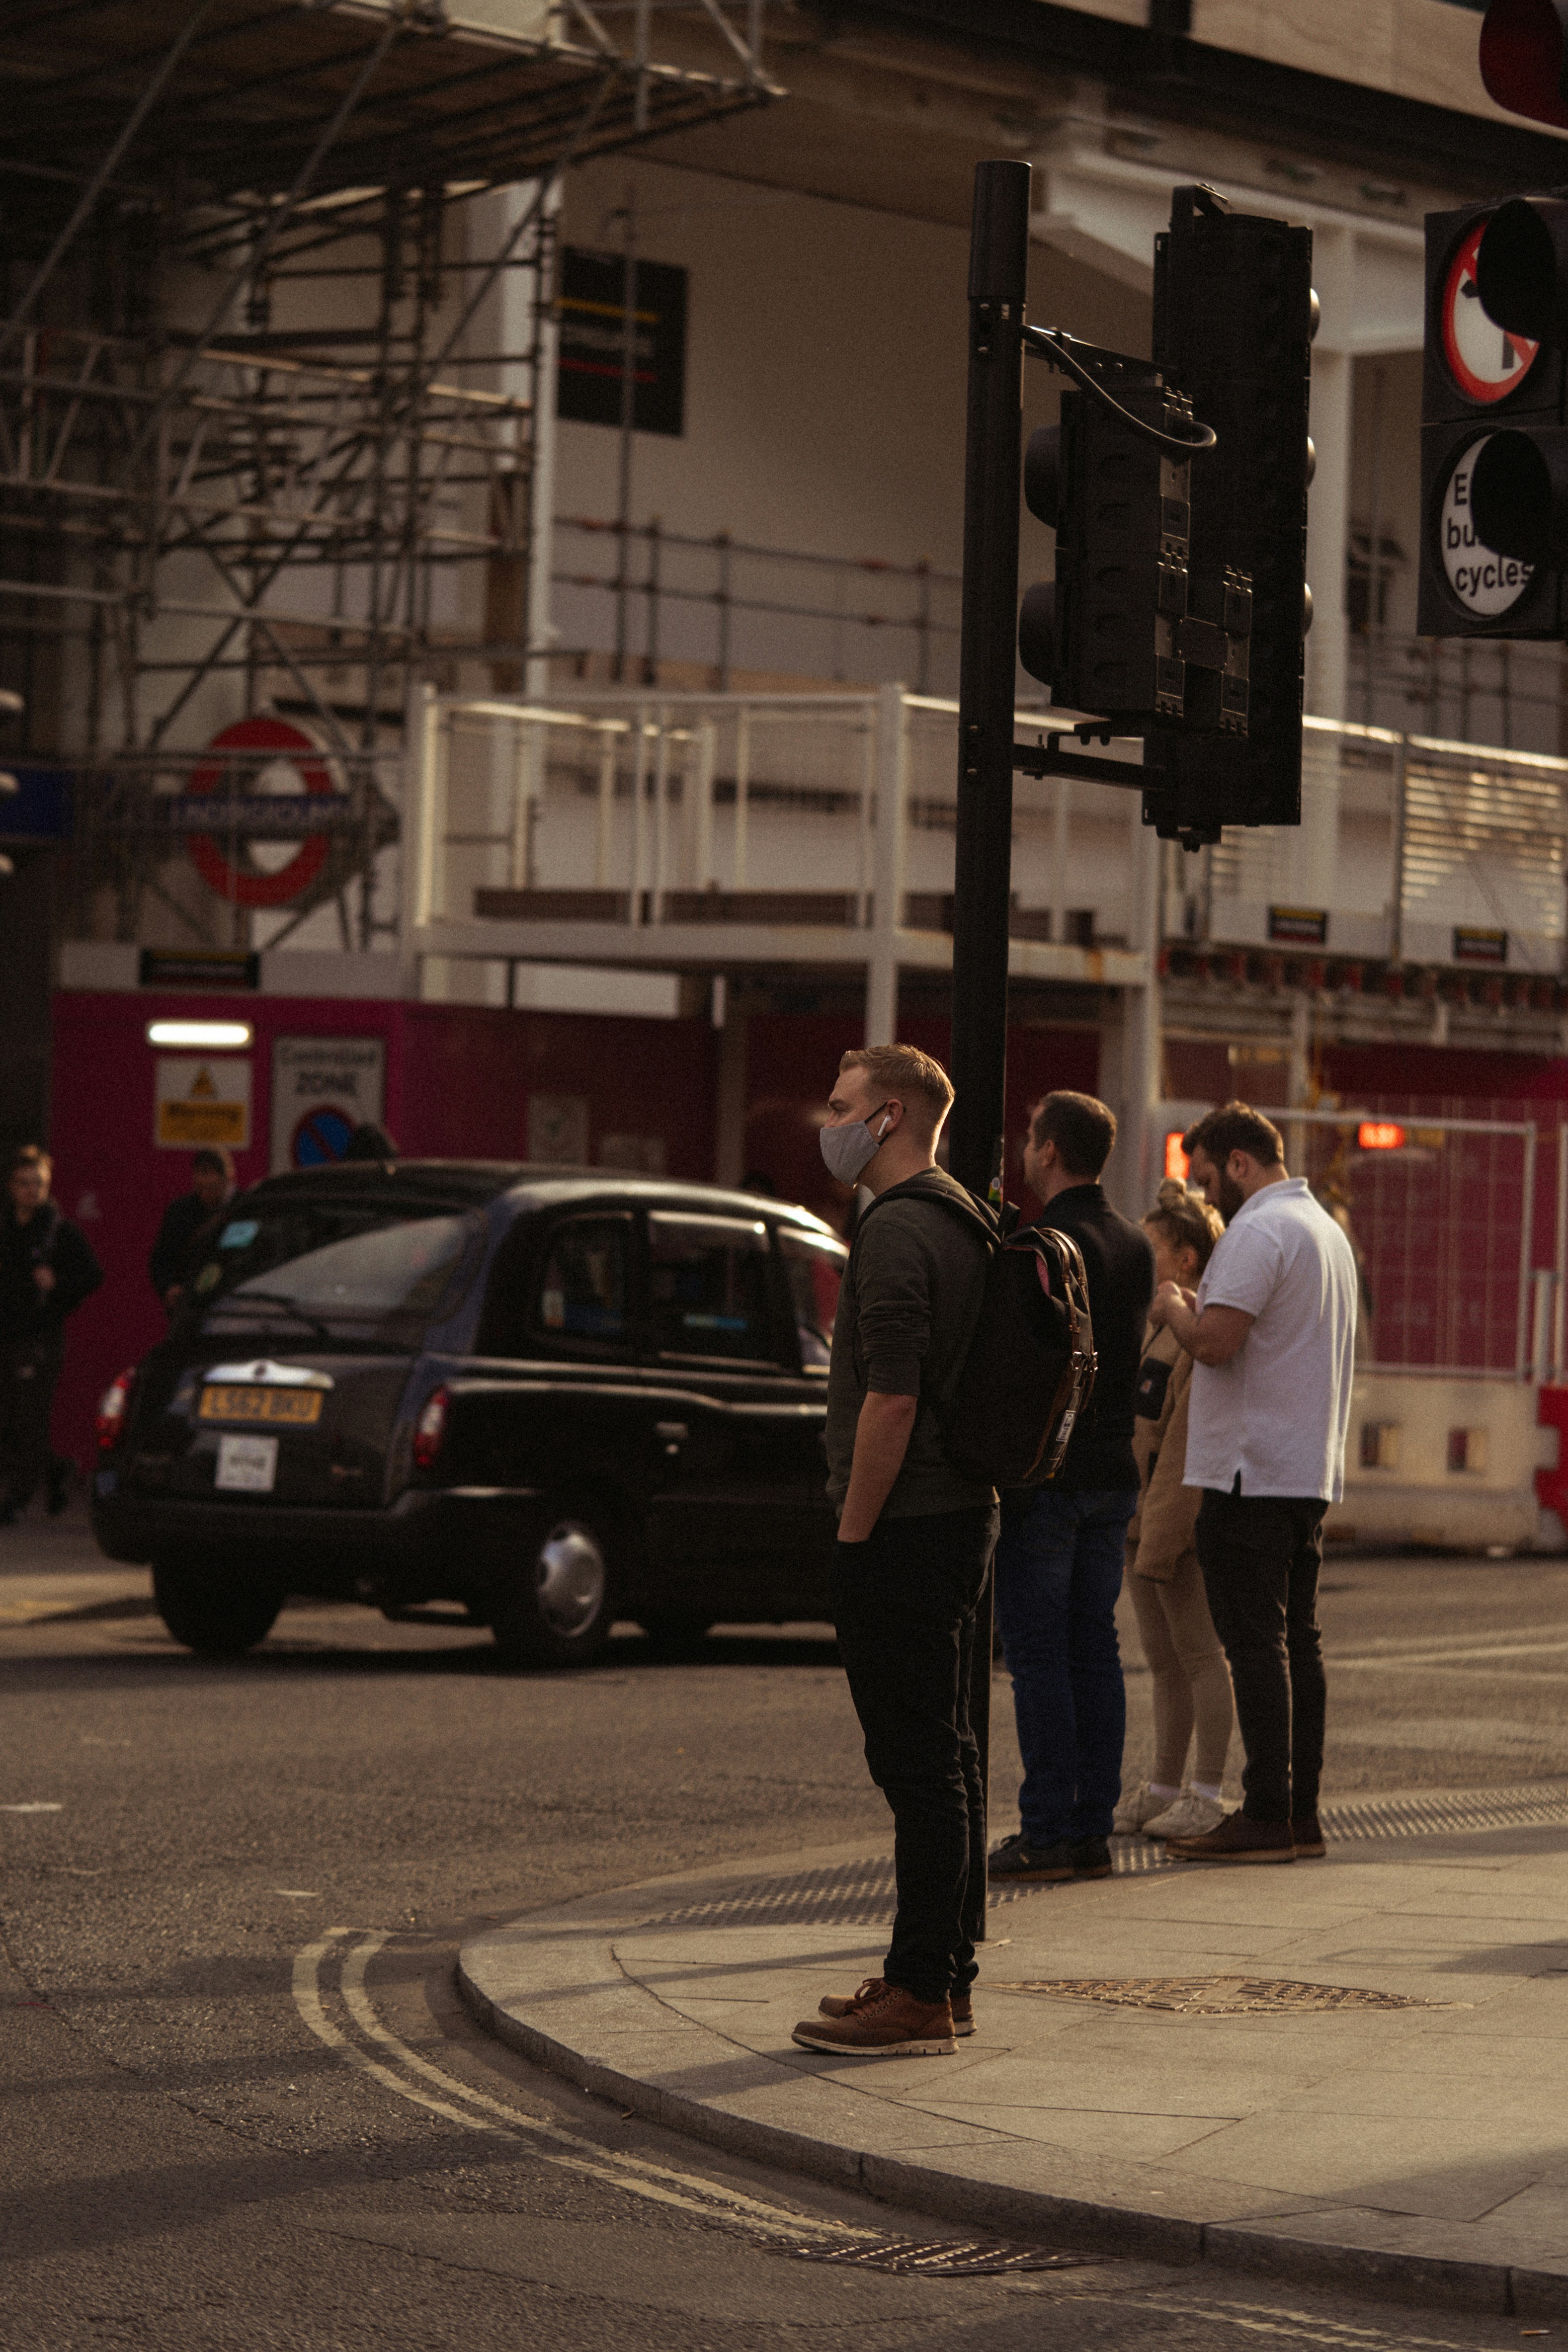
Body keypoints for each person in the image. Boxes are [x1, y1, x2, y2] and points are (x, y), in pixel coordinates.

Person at [792, 1044, 996, 2058]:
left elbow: (893, 1394)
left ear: (890, 1114)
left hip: (905, 1524)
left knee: (916, 1764)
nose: (824, 1120)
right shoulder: (963, 1212)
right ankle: (942, 1973)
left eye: (841, 1103)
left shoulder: (896, 1229)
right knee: (945, 1755)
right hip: (957, 1515)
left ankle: (917, 1990)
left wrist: (851, 1531)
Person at [1149, 1102, 1357, 1865]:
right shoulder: (1324, 1232)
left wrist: (1174, 1306)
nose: (1205, 1197)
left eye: (1207, 1177)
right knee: (1298, 1641)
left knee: (1254, 1643)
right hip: (1304, 1467)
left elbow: (1215, 1342)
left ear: (1238, 1162)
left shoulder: (1257, 1231)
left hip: (1247, 1467)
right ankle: (1299, 1812)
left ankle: (1264, 1810)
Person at [988, 1091, 1155, 1886]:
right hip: (1113, 1471)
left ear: (1049, 1150)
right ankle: (1090, 1828)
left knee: (1037, 1655)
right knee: (1095, 1649)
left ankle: (1047, 1825)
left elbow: (1016, 1369)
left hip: (1050, 1479)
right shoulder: (1132, 1242)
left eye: (1028, 1136)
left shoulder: (1043, 1244)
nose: (1023, 1147)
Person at [1114, 1178, 1235, 1843]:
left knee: (1197, 1655)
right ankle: (1163, 1786)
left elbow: (1183, 1441)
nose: (1140, 1255)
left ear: (1185, 1257)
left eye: (1151, 1246)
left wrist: (1161, 1533)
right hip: (1135, 1518)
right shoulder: (1152, 1329)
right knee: (1162, 1661)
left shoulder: (1189, 1334)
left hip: (1169, 1524)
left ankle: (1207, 1790)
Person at [0, 1146, 104, 1524]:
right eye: (24, 1184)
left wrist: (58, 1287)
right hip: (6, 1332)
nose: (32, 1191)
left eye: (39, 1184)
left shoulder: (58, 1230)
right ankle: (57, 1469)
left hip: (39, 1337)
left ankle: (17, 1496)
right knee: (8, 1419)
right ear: (11, 1187)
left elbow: (93, 1275)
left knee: (28, 1418)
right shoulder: (6, 1226)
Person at [149, 1148, 234, 1309]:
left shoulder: (244, 1210)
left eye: (210, 1189)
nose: (204, 1195)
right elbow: (160, 1260)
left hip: (235, 1306)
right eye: (199, 1188)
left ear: (227, 1179)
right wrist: (168, 1288)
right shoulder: (180, 1211)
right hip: (190, 1306)